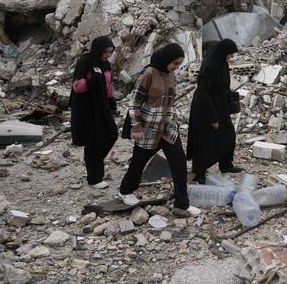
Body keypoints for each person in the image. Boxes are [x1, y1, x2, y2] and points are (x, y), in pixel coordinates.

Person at [117, 43, 200, 217]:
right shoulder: (149, 74)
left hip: (167, 128)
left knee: (178, 163)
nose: (176, 68)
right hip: (148, 129)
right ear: (166, 59)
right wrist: (136, 127)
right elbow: (134, 102)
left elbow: (170, 100)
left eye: (179, 64)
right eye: (175, 63)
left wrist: (175, 116)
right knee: (139, 161)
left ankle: (182, 204)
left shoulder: (170, 76)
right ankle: (125, 191)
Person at [187, 38, 241, 184]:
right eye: (229, 54)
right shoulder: (208, 67)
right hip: (205, 108)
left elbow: (222, 85)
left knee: (229, 134)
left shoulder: (221, 64)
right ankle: (198, 172)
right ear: (222, 52)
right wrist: (213, 118)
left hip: (219, 105)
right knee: (204, 141)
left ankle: (226, 165)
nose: (230, 57)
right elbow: (204, 94)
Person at [70, 35, 118, 189]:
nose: (108, 55)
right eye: (105, 52)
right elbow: (77, 86)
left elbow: (109, 85)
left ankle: (93, 162)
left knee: (112, 135)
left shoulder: (106, 65)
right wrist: (93, 80)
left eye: (110, 52)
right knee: (93, 142)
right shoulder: (85, 62)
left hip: (102, 106)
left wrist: (112, 103)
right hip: (86, 109)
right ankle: (95, 178)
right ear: (98, 50)